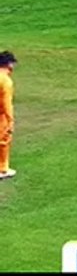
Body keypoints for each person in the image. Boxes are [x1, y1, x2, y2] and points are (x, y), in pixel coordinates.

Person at [0, 51, 16, 180]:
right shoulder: (5, 81)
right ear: (9, 64)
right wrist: (10, 120)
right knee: (3, 140)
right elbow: (6, 103)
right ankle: (2, 169)